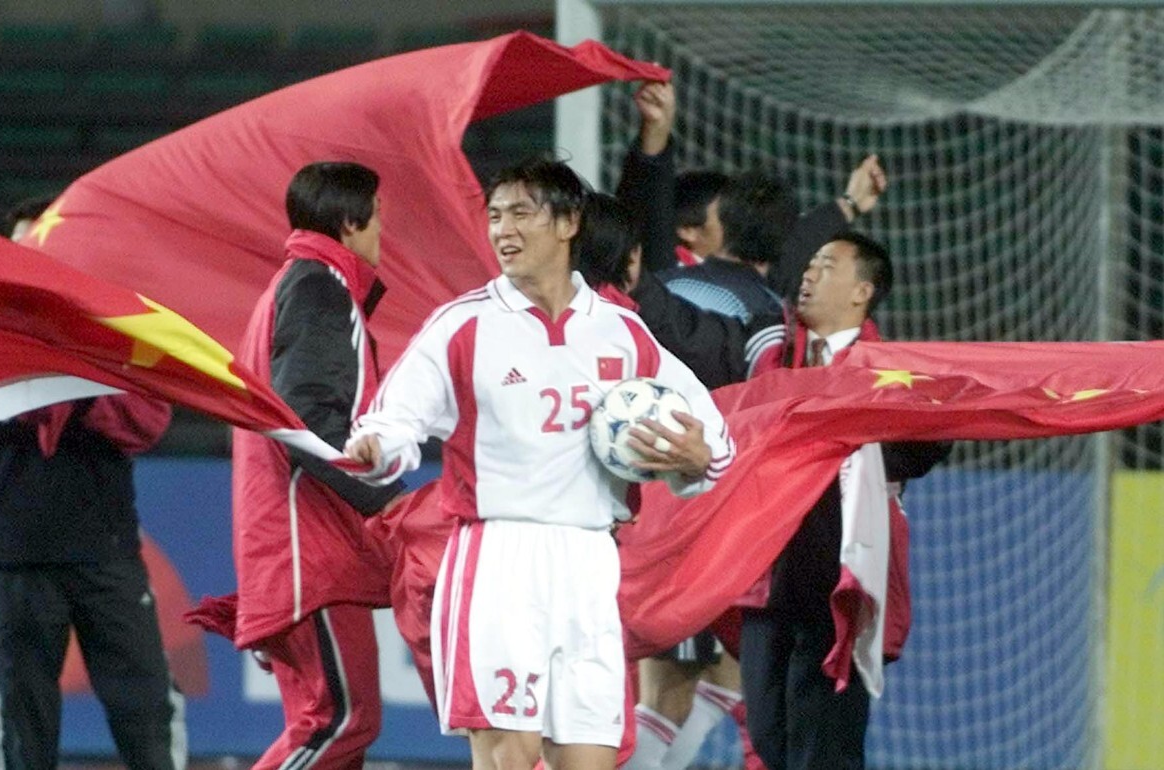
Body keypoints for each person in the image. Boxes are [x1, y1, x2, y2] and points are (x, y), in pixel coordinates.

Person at [345, 158, 735, 770]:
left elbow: (710, 437)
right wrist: (377, 450)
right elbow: (393, 421)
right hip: (500, 560)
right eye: (496, 216)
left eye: (521, 213)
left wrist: (697, 458)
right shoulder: (464, 325)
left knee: (589, 760)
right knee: (509, 756)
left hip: (590, 563)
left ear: (568, 223)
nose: (504, 229)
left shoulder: (621, 333)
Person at [614, 81, 887, 770]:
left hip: (643, 504)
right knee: (702, 684)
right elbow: (760, 394)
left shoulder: (660, 287)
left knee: (700, 681)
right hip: (727, 519)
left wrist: (652, 146)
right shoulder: (772, 316)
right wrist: (846, 208)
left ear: (712, 232)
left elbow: (641, 236)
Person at [0, 199, 185, 770]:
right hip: (17, 551)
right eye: (22, 248)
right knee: (19, 730)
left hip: (106, 549)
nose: (34, 260)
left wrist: (79, 377)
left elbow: (149, 421)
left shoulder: (116, 331)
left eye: (46, 247)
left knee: (148, 718)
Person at [739, 232, 950, 770]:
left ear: (862, 290)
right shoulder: (772, 358)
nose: (807, 275)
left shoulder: (892, 369)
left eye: (826, 266)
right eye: (808, 265)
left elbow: (931, 441)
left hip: (839, 578)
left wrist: (851, 442)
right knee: (768, 745)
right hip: (767, 581)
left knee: (825, 750)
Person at [231, 161, 405, 770]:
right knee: (341, 720)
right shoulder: (317, 286)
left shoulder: (295, 284)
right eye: (379, 216)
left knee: (330, 732)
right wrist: (389, 501)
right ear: (352, 221)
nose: (385, 230)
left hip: (295, 544)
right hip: (309, 550)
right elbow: (303, 418)